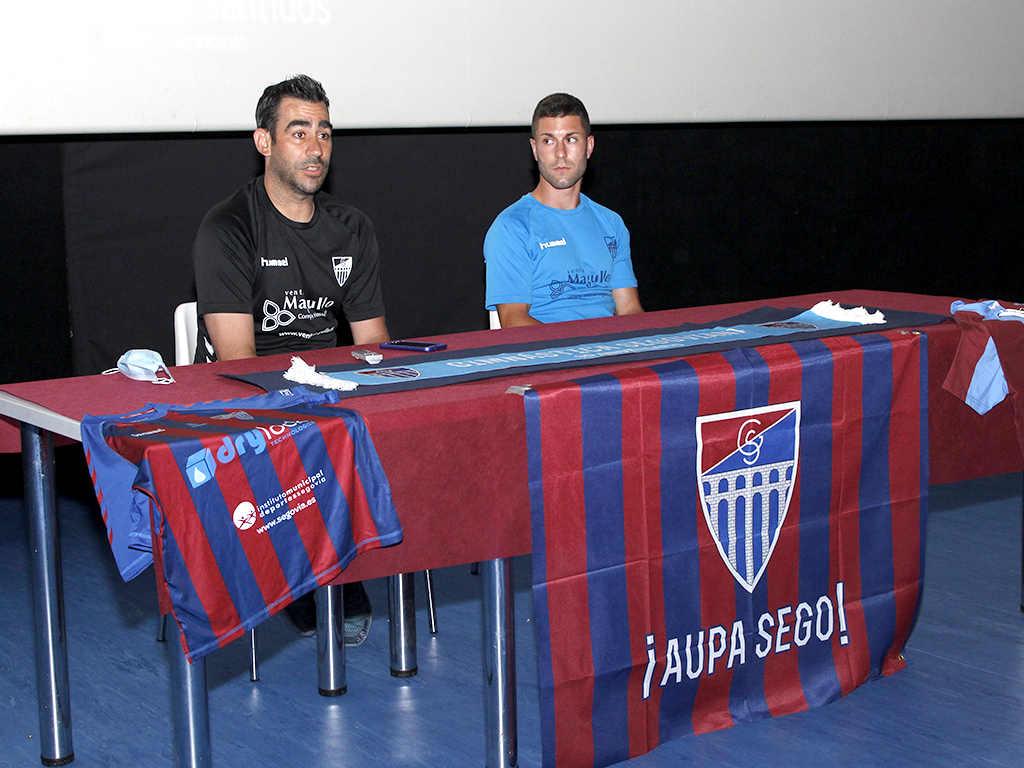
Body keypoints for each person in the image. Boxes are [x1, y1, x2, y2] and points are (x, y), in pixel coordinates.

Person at [192, 74, 385, 644]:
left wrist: (367, 388)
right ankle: (309, 572)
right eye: (298, 131)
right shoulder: (227, 227)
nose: (316, 146)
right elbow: (238, 361)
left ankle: (359, 557)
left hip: (327, 384)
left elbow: (371, 346)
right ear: (265, 142)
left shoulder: (351, 227)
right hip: (250, 390)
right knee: (294, 426)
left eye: (324, 132)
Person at [484, 93, 643, 327]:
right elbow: (513, 321)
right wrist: (581, 351)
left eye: (571, 139)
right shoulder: (511, 227)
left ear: (588, 146)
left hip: (611, 355)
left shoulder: (611, 223)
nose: (560, 153)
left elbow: (629, 308)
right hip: (551, 359)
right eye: (548, 141)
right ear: (535, 149)